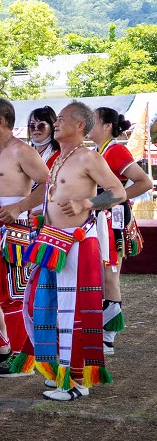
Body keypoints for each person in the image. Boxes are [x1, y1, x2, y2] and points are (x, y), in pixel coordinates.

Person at [16, 101, 125, 400]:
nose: (56, 123)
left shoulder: (89, 157)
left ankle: (77, 381)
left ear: (79, 126)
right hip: (51, 242)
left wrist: (86, 203)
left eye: (62, 119)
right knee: (42, 306)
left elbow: (119, 192)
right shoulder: (59, 159)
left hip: (77, 244)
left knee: (72, 312)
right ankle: (59, 370)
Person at [0, 98, 51, 375]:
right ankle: (1, 348)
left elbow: (47, 183)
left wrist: (19, 207)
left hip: (11, 230)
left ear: (0, 121)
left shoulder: (21, 151)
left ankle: (22, 357)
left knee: (11, 293)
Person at [89, 106, 153, 353]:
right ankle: (102, 330)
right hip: (100, 218)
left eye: (92, 120)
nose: (87, 124)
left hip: (112, 220)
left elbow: (144, 182)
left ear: (107, 126)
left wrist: (113, 199)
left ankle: (108, 334)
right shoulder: (97, 151)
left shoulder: (115, 150)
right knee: (102, 274)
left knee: (109, 275)